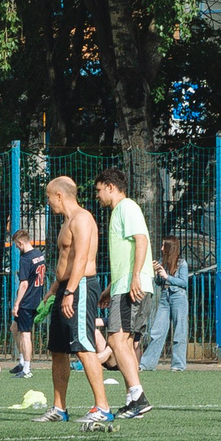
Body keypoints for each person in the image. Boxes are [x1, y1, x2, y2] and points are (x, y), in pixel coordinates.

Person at [36, 176, 106, 423]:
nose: (48, 202)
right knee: (57, 350)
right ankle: (59, 408)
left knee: (83, 345)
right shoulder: (66, 222)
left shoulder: (83, 219)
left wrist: (70, 292)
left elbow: (81, 258)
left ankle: (102, 408)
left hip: (81, 286)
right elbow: (65, 260)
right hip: (66, 287)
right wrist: (55, 288)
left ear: (59, 195)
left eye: (48, 197)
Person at [89, 167, 154, 420]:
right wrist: (109, 289)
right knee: (125, 341)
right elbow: (124, 256)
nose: (98, 196)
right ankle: (132, 399)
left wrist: (135, 277)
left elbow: (142, 240)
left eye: (98, 190)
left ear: (110, 186)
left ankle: (138, 396)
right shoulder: (119, 211)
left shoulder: (126, 207)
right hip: (124, 284)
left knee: (116, 340)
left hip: (132, 285)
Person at [145, 237, 192, 373]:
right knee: (157, 330)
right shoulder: (162, 262)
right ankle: (147, 364)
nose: (161, 249)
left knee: (180, 331)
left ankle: (178, 364)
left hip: (178, 297)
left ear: (170, 248)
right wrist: (156, 273)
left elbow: (184, 283)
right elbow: (159, 283)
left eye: (163, 246)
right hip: (165, 296)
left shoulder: (182, 263)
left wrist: (167, 277)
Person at [9, 228, 47, 377]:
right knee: (14, 328)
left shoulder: (25, 259)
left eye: (16, 245)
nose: (17, 248)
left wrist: (17, 303)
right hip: (36, 297)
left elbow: (24, 284)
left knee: (25, 334)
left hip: (27, 301)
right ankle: (22, 362)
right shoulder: (39, 254)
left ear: (20, 242)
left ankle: (27, 369)